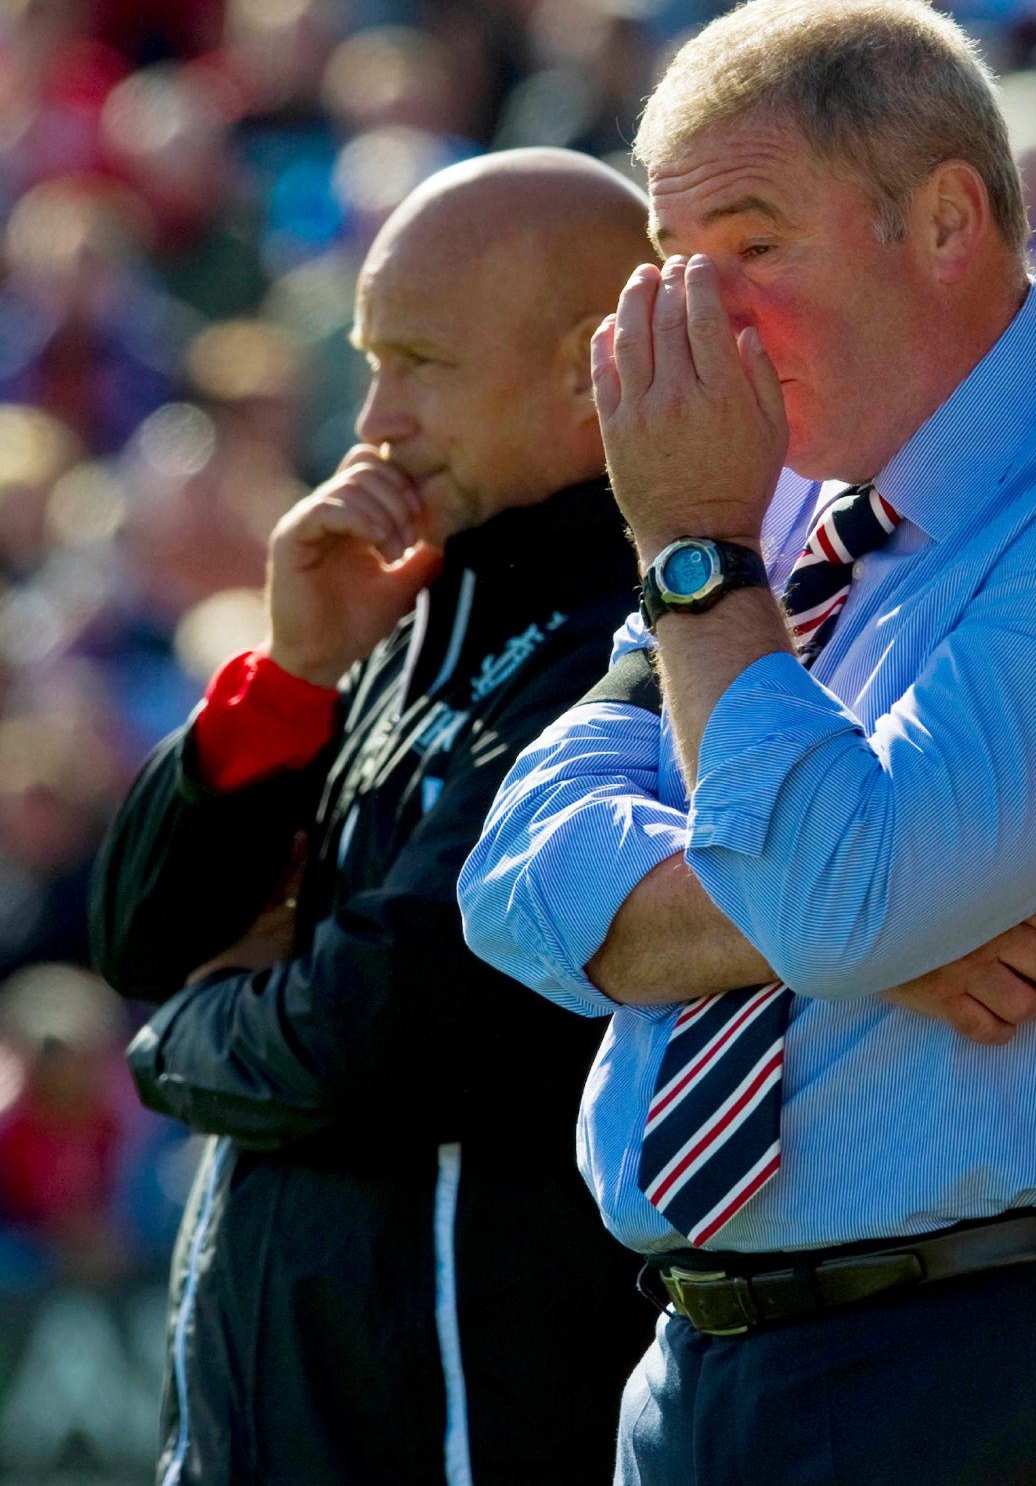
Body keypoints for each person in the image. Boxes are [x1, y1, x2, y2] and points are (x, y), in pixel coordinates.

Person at [459, 0, 1036, 1485]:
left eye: (753, 246)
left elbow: (834, 893)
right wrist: (840, 929)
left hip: (1007, 1361)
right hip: (703, 1368)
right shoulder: (768, 496)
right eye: (674, 258)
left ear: (944, 223)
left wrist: (698, 570)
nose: (699, 314)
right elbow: (514, 882)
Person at [89, 149, 665, 1485]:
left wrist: (174, 1047)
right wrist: (291, 675)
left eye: (420, 364)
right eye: (368, 362)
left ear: (589, 367)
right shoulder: (405, 610)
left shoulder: (637, 640)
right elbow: (138, 932)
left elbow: (377, 1035)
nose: (375, 419)